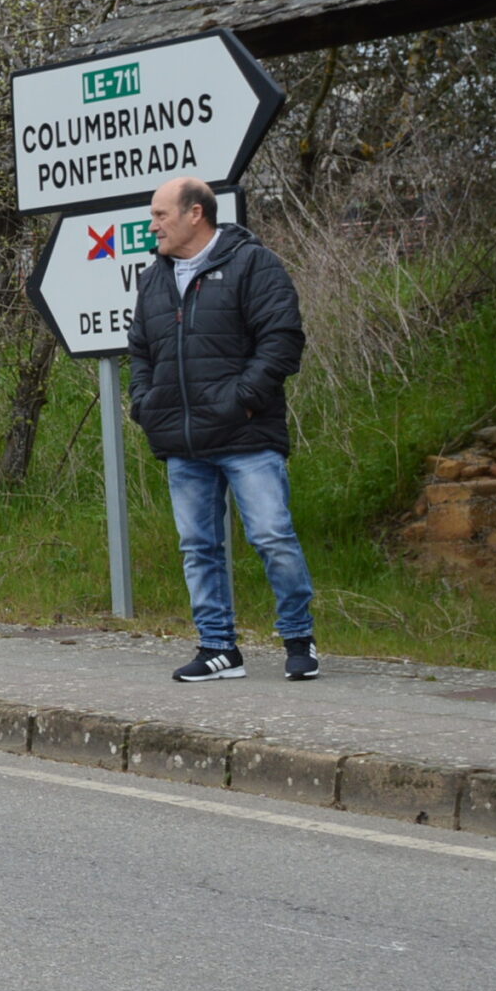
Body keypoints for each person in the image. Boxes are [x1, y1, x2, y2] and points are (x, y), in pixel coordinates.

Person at [128, 175, 319, 683]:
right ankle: (218, 649)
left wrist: (240, 402)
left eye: (160, 215)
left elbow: (282, 340)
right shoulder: (152, 279)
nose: (153, 226)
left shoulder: (253, 264)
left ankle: (299, 640)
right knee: (198, 548)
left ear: (196, 213)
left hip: (246, 436)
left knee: (273, 536)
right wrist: (146, 404)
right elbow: (141, 352)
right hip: (182, 441)